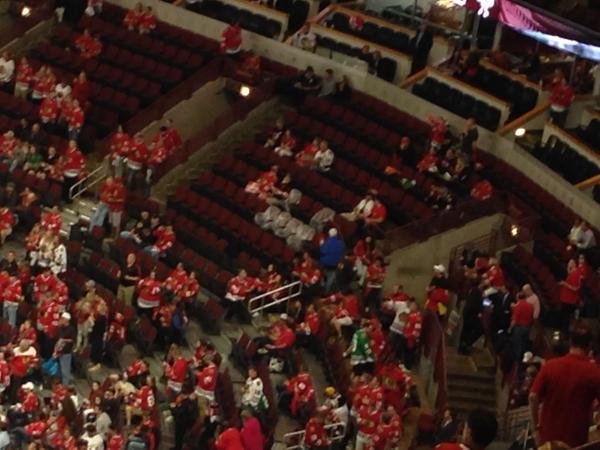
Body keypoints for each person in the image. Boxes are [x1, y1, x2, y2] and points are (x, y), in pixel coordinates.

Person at [529, 322, 600, 447]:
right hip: (575, 441)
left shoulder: (550, 366)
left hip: (548, 441)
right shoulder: (595, 372)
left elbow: (533, 397)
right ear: (590, 345)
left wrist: (535, 431)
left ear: (570, 342)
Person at [558, 259, 583, 333]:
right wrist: (568, 268)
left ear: (574, 264)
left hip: (569, 300)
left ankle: (565, 332)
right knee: (564, 316)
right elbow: (569, 274)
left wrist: (564, 284)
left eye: (570, 262)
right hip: (566, 298)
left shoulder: (576, 273)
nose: (568, 264)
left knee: (566, 317)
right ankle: (564, 330)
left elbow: (576, 288)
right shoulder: (572, 272)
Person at [510, 292, 534, 363]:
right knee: (524, 343)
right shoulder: (530, 306)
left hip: (519, 328)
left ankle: (517, 361)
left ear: (518, 298)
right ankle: (525, 359)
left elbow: (514, 320)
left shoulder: (518, 306)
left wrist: (510, 328)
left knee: (517, 345)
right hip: (528, 327)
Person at [319, 228, 345, 294]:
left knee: (324, 276)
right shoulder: (340, 243)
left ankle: (323, 288)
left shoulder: (327, 242)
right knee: (330, 278)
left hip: (325, 263)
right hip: (334, 264)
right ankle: (326, 291)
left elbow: (322, 251)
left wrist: (321, 245)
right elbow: (342, 252)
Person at [54, 312, 76, 385]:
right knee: (59, 370)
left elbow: (72, 340)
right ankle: (59, 385)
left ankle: (65, 386)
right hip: (58, 350)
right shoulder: (60, 328)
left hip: (66, 352)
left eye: (63, 319)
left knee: (65, 371)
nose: (61, 320)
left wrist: (64, 340)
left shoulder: (71, 329)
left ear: (67, 320)